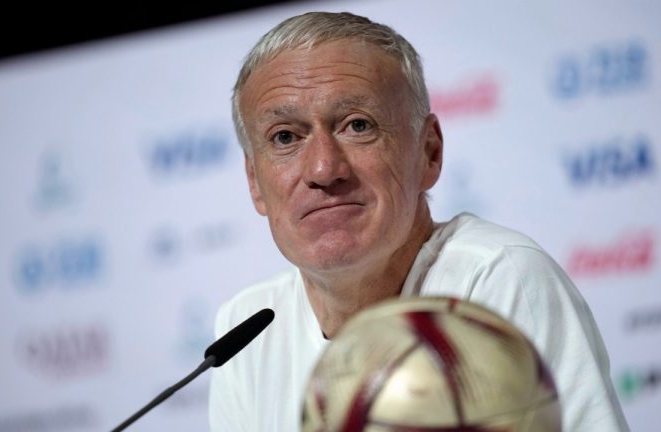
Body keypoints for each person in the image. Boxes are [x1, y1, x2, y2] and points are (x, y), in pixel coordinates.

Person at [209, 11, 629, 432]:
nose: (323, 168)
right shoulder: (247, 328)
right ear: (255, 183)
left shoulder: (497, 283)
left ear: (429, 153)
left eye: (358, 126)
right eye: (285, 137)